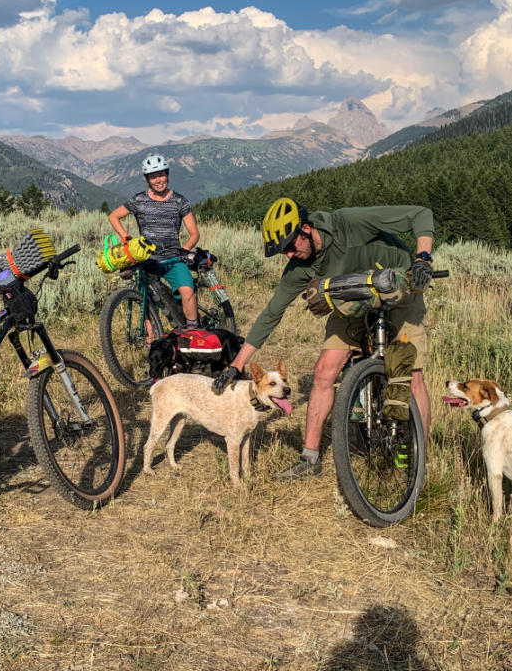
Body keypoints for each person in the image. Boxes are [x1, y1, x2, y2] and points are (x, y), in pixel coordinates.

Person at [212, 197, 435, 479]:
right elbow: (270, 314)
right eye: (284, 252)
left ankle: (419, 459)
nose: (290, 255)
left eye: (291, 246)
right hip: (353, 298)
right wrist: (236, 365)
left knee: (410, 374)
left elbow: (420, 213)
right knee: (323, 372)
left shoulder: (348, 223)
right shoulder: (299, 267)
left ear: (306, 229)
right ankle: (310, 458)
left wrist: (422, 260)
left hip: (400, 287)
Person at [108, 154, 201, 327]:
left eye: (161, 175)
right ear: (147, 180)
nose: (158, 180)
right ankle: (151, 337)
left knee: (187, 291)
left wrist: (185, 249)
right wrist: (124, 236)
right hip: (148, 259)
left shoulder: (180, 201)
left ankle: (192, 332)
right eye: (153, 176)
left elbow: (194, 233)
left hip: (174, 258)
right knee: (146, 299)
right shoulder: (139, 200)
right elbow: (114, 216)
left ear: (167, 174)